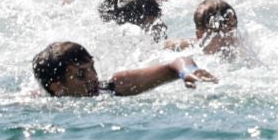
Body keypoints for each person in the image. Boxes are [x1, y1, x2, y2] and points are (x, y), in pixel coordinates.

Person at [32, 40, 216, 96]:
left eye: (92, 68)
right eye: (81, 74)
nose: (93, 78)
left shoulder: (115, 85)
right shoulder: (37, 104)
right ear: (57, 86)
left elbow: (176, 63)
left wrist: (187, 72)